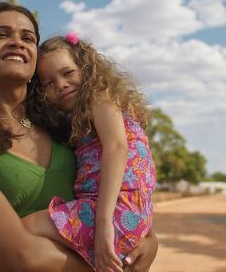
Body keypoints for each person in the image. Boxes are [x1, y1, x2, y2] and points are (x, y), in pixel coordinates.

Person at [0, 3, 157, 271]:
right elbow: (20, 256)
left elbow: (122, 182)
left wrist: (149, 243)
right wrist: (114, 265)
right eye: (1, 34)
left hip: (100, 244)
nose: (17, 42)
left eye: (27, 38)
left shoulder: (63, 125)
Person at [21, 33, 156, 272]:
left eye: (68, 73)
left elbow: (116, 147)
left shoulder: (99, 94)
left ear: (86, 69)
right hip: (132, 217)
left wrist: (104, 223)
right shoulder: (77, 120)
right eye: (48, 83)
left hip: (110, 213)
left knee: (19, 231)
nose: (60, 84)